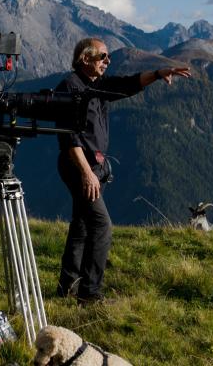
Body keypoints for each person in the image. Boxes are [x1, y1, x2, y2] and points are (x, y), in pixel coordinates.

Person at [55, 37, 190, 304]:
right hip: (79, 166)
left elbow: (126, 85)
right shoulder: (70, 87)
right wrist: (86, 172)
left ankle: (67, 286)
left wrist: (158, 73)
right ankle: (90, 294)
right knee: (102, 226)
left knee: (82, 224)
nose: (108, 61)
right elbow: (68, 136)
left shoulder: (96, 84)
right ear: (85, 59)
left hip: (94, 166)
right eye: (103, 57)